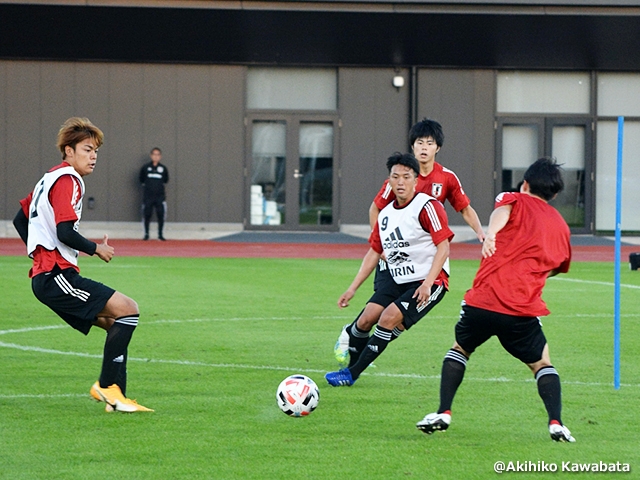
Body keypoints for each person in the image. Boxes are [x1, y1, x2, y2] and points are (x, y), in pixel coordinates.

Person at [416, 157, 574, 442]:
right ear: (555, 194)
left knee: (460, 349)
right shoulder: (562, 227)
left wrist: (492, 235)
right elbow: (555, 267)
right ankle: (556, 422)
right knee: (541, 364)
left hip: (482, 302)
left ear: (525, 183)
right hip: (520, 311)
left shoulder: (514, 198)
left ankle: (443, 411)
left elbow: (504, 209)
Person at [12, 117, 153, 413]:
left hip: (48, 275)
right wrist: (96, 249)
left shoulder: (48, 178)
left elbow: (19, 219)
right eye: (87, 149)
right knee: (129, 309)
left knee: (117, 322)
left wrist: (37, 252)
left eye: (96, 151)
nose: (93, 157)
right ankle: (105, 387)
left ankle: (116, 400)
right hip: (55, 275)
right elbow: (64, 232)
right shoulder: (68, 180)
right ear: (68, 151)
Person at [334, 118, 484, 367]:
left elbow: (464, 208)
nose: (423, 147)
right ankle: (351, 335)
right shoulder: (400, 177)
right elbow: (376, 209)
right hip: (395, 258)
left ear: (438, 148)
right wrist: (381, 242)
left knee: (395, 319)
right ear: (412, 146)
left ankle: (358, 361)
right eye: (419, 142)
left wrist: (481, 231)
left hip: (423, 261)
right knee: (371, 316)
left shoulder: (446, 178)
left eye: (429, 143)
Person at [325, 152, 454, 387]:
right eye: (396, 177)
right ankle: (354, 365)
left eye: (406, 177)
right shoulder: (385, 215)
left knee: (388, 319)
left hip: (430, 282)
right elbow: (374, 252)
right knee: (365, 320)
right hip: (399, 279)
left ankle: (351, 374)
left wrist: (427, 284)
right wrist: (352, 289)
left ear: (416, 181)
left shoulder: (428, 207)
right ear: (389, 181)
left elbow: (443, 248)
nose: (401, 182)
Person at [139, 147, 169, 241]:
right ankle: (146, 234)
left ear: (160, 156)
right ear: (151, 156)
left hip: (160, 197)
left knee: (161, 215)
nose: (156, 156)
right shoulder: (145, 168)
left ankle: (160, 234)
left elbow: (166, 180)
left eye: (158, 155)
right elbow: (141, 179)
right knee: (147, 214)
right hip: (148, 197)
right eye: (154, 154)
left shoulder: (163, 168)